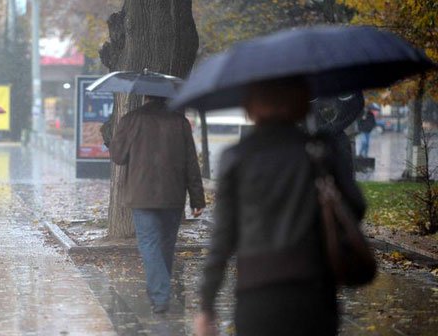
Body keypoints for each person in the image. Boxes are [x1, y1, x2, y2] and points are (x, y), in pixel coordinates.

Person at [193, 79, 366, 336]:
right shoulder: (320, 150)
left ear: (251, 106)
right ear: (301, 104)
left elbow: (223, 238)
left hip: (258, 293)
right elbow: (356, 207)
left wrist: (207, 305)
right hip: (314, 291)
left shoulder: (237, 157)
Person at [109, 95, 206, 314]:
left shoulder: (132, 119)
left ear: (145, 96)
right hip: (173, 194)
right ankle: (159, 292)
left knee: (149, 243)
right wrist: (197, 198)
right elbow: (192, 161)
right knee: (165, 245)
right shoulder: (179, 122)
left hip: (141, 194)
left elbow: (118, 157)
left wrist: (112, 135)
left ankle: (160, 295)